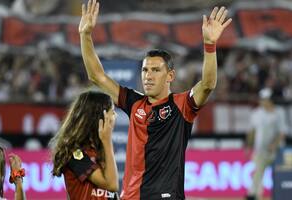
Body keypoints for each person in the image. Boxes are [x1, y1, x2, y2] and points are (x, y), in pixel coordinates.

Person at [79, 0, 232, 199]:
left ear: (170, 76)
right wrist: (85, 35)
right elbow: (97, 76)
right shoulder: (134, 102)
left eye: (155, 70)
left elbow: (208, 84)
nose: (148, 76)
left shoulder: (182, 105)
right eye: (144, 70)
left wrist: (210, 45)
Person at [50, 91, 119, 200]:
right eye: (113, 111)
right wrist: (107, 141)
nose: (115, 116)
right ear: (100, 117)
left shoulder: (101, 149)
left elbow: (110, 195)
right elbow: (112, 185)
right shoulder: (75, 154)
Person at [245, 88, 287, 200]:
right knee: (258, 173)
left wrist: (274, 144)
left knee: (278, 175)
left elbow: (282, 132)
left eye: (264, 99)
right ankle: (253, 195)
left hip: (276, 151)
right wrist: (248, 146)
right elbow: (252, 131)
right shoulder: (256, 113)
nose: (262, 101)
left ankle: (280, 195)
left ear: (270, 100)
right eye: (261, 99)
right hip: (260, 150)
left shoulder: (279, 112)